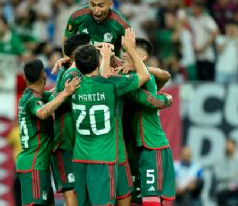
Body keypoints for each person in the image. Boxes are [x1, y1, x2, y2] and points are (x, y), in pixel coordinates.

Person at [71, 28, 149, 205]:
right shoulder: (111, 84)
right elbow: (144, 75)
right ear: (98, 62)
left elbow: (83, 68)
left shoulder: (72, 84)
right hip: (103, 159)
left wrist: (99, 56)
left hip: (80, 158)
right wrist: (130, 49)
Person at [119, 38, 176, 205]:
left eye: (128, 51)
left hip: (152, 145)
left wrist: (165, 99)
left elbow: (153, 100)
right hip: (133, 148)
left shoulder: (146, 78)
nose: (123, 54)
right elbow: (165, 76)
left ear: (141, 57)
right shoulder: (130, 75)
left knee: (150, 200)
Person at [16, 59, 80, 206]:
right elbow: (43, 113)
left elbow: (52, 97)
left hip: (37, 165)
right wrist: (66, 92)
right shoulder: (33, 100)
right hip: (34, 166)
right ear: (44, 75)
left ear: (25, 78)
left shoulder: (30, 97)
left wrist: (66, 69)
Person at [51, 33, 91, 206]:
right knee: (71, 193)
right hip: (65, 142)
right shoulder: (71, 75)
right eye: (89, 47)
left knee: (80, 193)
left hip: (79, 143)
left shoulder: (72, 72)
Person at [64, 0, 130, 56]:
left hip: (109, 65)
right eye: (92, 5)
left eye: (100, 6)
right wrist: (66, 59)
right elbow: (67, 41)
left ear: (110, 4)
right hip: (84, 64)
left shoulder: (122, 25)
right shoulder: (77, 17)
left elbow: (129, 53)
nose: (96, 11)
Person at [214, 138, 238, 206]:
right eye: (226, 145)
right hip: (224, 187)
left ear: (235, 147)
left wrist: (233, 181)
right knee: (220, 195)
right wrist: (234, 175)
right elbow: (218, 176)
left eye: (229, 145)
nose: (227, 147)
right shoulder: (219, 161)